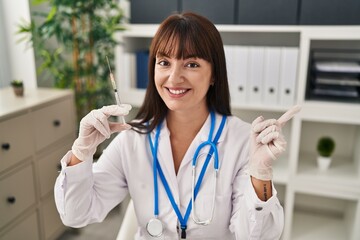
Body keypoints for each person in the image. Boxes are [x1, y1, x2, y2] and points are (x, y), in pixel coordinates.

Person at [55, 12, 300, 239]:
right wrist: (81, 153)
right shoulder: (132, 138)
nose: (173, 78)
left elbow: (259, 236)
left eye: (191, 64)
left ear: (214, 74)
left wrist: (260, 173)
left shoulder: (242, 141)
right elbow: (77, 214)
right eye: (164, 62)